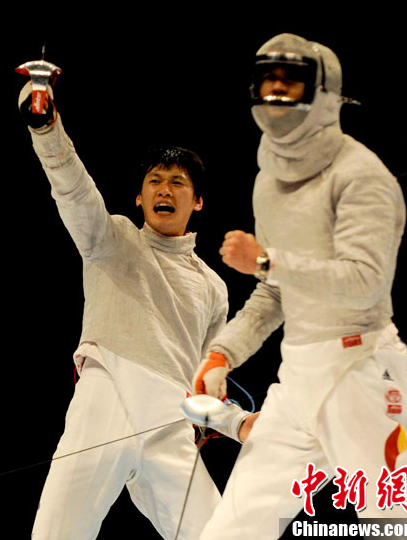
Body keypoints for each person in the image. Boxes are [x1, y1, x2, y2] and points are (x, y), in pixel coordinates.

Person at [193, 33, 407, 539]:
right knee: (233, 528)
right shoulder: (267, 181)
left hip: (361, 371)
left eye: (290, 81)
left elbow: (365, 282)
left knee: (391, 527)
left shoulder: (362, 176)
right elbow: (276, 290)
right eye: (267, 80)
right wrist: (223, 353)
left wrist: (266, 260)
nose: (276, 90)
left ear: (322, 93)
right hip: (297, 379)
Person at [15, 66, 256, 540]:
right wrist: (45, 128)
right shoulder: (111, 239)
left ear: (198, 201)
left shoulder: (213, 287)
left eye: (178, 182)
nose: (165, 189)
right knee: (58, 534)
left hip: (171, 423)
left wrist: (238, 422)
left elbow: (204, 383)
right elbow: (73, 188)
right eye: (155, 181)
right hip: (107, 397)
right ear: (140, 198)